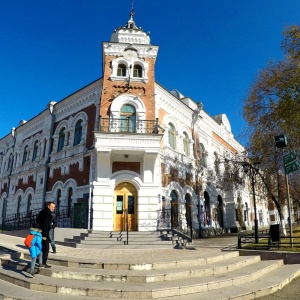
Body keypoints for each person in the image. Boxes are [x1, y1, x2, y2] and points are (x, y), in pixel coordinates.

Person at [36, 201, 55, 268]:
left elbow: (37, 221)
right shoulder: (48, 214)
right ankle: (43, 263)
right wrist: (45, 236)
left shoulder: (42, 212)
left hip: (37, 232)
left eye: (54, 207)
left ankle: (38, 260)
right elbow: (45, 226)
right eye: (52, 207)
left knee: (39, 247)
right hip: (43, 234)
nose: (53, 208)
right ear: (48, 206)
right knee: (46, 248)